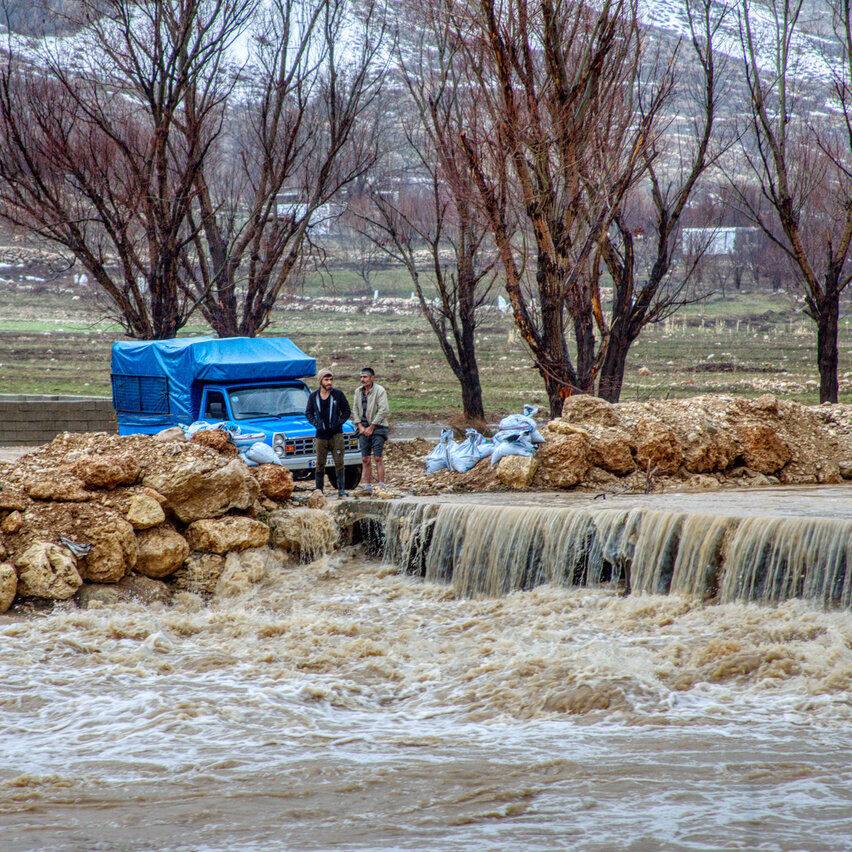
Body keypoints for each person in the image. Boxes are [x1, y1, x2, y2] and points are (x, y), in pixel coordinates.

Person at [305, 368, 351, 498]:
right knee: (319, 463)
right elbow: (308, 413)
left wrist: (339, 422)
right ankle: (319, 491)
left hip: (336, 435)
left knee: (339, 462)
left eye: (331, 379)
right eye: (326, 379)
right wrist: (315, 423)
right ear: (320, 381)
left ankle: (341, 490)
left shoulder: (338, 394)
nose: (329, 382)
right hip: (321, 436)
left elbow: (347, 411)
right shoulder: (313, 396)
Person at [352, 366, 389, 493]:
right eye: (361, 377)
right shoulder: (358, 391)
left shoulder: (380, 391)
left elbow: (383, 410)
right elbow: (355, 410)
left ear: (372, 378)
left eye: (365, 377)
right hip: (362, 428)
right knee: (365, 458)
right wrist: (360, 426)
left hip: (378, 427)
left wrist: (372, 426)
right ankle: (367, 485)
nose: (362, 379)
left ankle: (381, 485)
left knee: (378, 457)